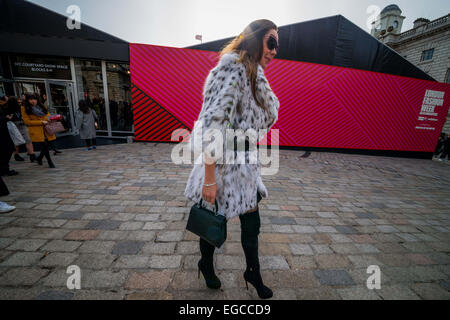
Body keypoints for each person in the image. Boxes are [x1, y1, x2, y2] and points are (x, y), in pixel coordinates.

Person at [184, 19, 280, 299]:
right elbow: (212, 124)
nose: (275, 50)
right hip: (223, 166)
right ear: (254, 39)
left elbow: (259, 121)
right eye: (271, 42)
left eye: (277, 44)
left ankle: (253, 272)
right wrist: (210, 179)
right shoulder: (232, 70)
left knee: (253, 223)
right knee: (214, 222)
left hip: (246, 164)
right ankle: (206, 262)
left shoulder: (255, 76)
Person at [21, 93, 56, 168]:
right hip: (36, 130)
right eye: (30, 99)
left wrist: (50, 119)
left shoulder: (41, 106)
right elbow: (27, 122)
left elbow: (47, 115)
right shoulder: (24, 108)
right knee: (45, 145)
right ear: (27, 100)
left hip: (46, 129)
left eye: (34, 99)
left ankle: (39, 158)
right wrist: (41, 122)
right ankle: (50, 162)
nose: (33, 101)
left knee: (46, 145)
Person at [5, 96, 37, 162]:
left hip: (21, 124)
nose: (19, 102)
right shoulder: (7, 109)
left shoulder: (20, 108)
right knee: (16, 141)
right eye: (17, 102)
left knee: (27, 140)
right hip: (14, 125)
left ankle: (32, 154)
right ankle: (17, 155)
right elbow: (7, 117)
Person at [0, 101, 18, 176]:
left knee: (7, 150)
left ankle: (4, 169)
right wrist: (6, 118)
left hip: (4, 131)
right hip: (2, 133)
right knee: (6, 150)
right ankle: (4, 170)